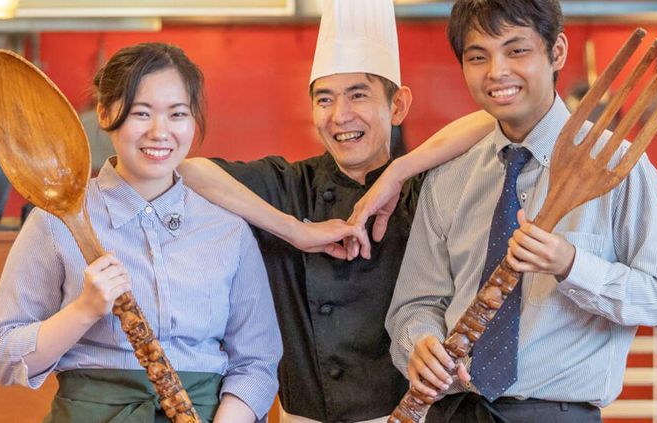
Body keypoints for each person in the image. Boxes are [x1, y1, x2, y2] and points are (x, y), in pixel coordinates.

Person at [177, 1, 494, 421]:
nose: (340, 116)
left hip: (414, 416)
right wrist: (295, 230)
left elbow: (493, 120)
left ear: (398, 105)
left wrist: (397, 172)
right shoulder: (289, 185)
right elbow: (185, 170)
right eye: (325, 99)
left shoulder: (424, 189)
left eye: (358, 95)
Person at [385, 0, 657, 421]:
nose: (497, 72)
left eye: (516, 50)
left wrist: (572, 265)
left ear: (557, 52)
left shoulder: (619, 167)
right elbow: (416, 303)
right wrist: (419, 343)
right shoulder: (448, 177)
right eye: (478, 57)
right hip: (455, 411)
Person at [0, 43, 281, 423]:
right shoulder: (55, 220)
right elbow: (2, 356)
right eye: (141, 113)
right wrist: (84, 311)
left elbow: (257, 362)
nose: (160, 132)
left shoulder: (228, 230)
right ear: (105, 114)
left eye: (178, 114)